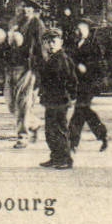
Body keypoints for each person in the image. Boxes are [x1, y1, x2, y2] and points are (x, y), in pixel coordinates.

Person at [34, 28, 79, 170]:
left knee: (59, 129)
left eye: (54, 41)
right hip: (51, 99)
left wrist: (72, 95)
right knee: (50, 130)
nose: (51, 45)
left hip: (60, 99)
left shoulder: (62, 59)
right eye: (48, 42)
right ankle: (56, 156)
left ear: (61, 42)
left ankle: (65, 159)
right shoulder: (51, 58)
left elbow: (72, 80)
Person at [6, 0, 46, 148]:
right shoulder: (14, 23)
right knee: (11, 104)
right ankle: (34, 124)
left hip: (27, 67)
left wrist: (40, 70)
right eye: (23, 6)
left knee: (23, 103)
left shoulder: (37, 24)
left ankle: (22, 136)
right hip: (11, 66)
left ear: (34, 10)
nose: (25, 9)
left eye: (29, 7)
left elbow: (41, 48)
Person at [67, 19, 109, 152]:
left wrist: (86, 67)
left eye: (82, 29)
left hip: (90, 82)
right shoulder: (75, 44)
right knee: (84, 111)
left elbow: (100, 64)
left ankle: (72, 142)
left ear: (88, 31)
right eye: (77, 29)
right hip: (79, 83)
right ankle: (102, 135)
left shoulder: (94, 45)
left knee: (80, 110)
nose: (78, 32)